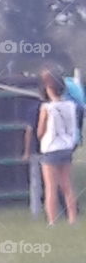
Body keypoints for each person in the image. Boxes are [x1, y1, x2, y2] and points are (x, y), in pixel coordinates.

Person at [37, 73, 78, 225]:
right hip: (66, 147)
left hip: (50, 148)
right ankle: (72, 218)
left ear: (48, 88)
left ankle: (52, 220)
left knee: (51, 187)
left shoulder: (46, 108)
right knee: (67, 185)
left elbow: (40, 131)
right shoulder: (70, 105)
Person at [21, 92, 44, 218]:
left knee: (35, 183)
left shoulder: (33, 109)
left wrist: (26, 151)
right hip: (51, 150)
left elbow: (29, 132)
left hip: (36, 150)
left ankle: (36, 211)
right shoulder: (56, 106)